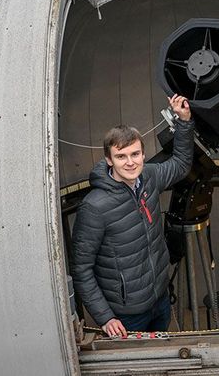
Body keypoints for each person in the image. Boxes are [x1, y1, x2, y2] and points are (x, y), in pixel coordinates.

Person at [71, 94, 194, 338]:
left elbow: (181, 164)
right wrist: (105, 316)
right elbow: (81, 269)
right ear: (109, 160)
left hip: (159, 299)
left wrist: (184, 121)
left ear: (143, 154)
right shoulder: (94, 207)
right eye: (121, 156)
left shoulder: (149, 176)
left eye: (135, 154)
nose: (130, 163)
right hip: (127, 315)